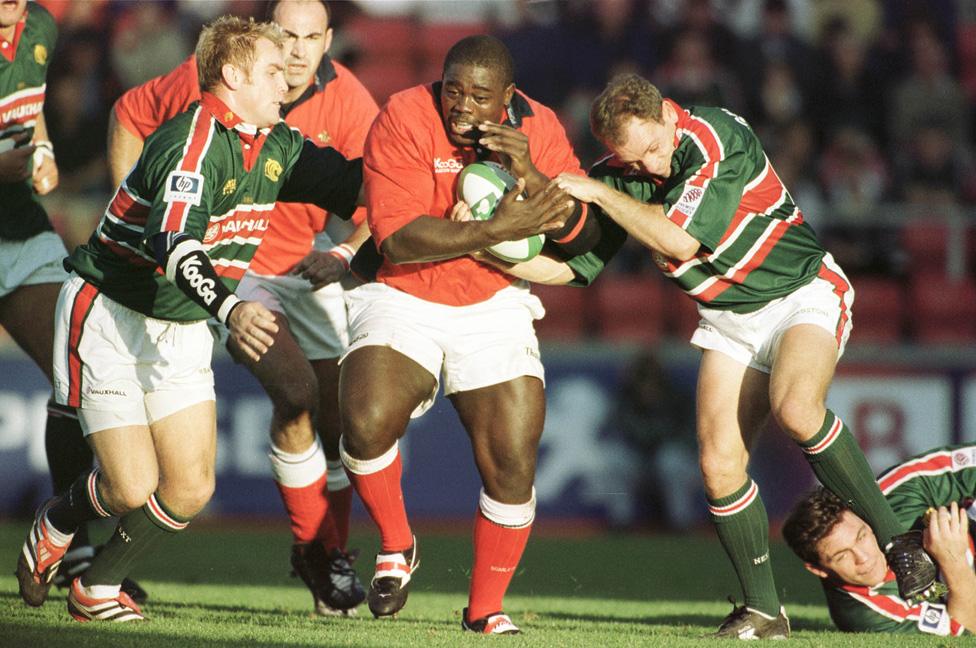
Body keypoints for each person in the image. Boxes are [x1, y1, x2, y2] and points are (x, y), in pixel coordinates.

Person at [550, 73, 936, 639]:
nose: (651, 168)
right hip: (731, 320)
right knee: (717, 464)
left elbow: (681, 241)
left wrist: (600, 191)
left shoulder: (715, 135)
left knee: (798, 410)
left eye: (655, 150)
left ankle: (900, 543)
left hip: (800, 291)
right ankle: (763, 610)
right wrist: (491, 254)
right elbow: (573, 270)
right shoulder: (622, 175)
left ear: (666, 116)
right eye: (632, 162)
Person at [15, 15, 362, 623]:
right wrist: (231, 307)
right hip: (111, 316)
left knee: (190, 490)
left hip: (178, 327)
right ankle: (59, 519)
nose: (289, 83)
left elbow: (350, 180)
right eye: (275, 72)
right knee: (128, 488)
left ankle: (96, 589)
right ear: (232, 76)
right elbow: (173, 243)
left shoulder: (274, 142)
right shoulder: (191, 141)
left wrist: (437, 170)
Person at [105, 0, 376, 616]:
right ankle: (316, 552)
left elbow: (377, 188)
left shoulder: (352, 101)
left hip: (310, 264)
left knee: (339, 423)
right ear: (259, 43)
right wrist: (134, 217)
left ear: (330, 39)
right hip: (230, 269)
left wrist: (348, 250)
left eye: (312, 37)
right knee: (296, 391)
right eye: (286, 36)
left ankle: (323, 550)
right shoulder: (220, 77)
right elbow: (129, 114)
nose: (299, 52)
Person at [339, 34, 598, 634]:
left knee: (512, 457)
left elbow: (582, 238)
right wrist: (496, 228)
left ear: (507, 97)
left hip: (493, 301)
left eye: (480, 97)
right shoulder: (404, 114)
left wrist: (530, 174)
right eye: (454, 89)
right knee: (366, 415)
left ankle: (484, 610)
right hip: (403, 291)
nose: (462, 107)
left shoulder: (540, 125)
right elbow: (398, 241)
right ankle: (397, 542)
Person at [0, 0, 148, 604]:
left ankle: (73, 542)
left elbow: (28, 112)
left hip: (18, 226)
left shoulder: (38, 25)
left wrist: (42, 152)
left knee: (73, 374)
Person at [783, 445, 976, 636]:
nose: (863, 558)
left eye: (862, 536)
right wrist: (954, 561)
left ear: (864, 516)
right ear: (818, 569)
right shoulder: (865, 614)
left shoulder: (896, 493)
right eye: (842, 556)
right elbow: (967, 630)